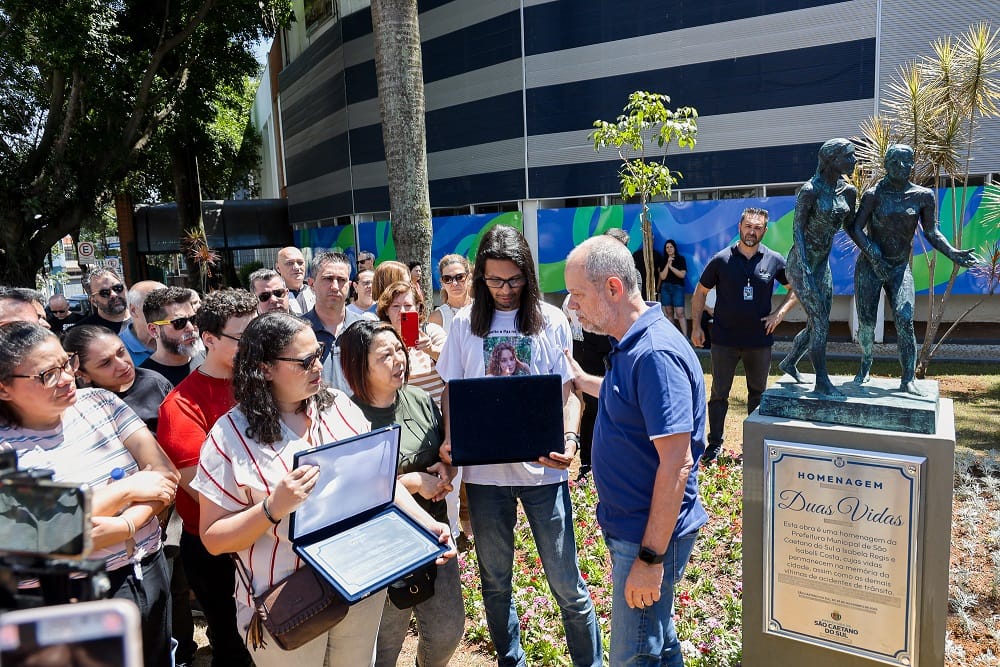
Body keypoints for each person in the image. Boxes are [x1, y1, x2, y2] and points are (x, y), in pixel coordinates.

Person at [190, 312, 454, 667]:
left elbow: (380, 480)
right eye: (305, 361)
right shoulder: (228, 437)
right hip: (288, 598)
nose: (318, 366)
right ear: (265, 368)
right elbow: (213, 537)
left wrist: (425, 522)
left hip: (359, 580)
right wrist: (272, 508)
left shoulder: (339, 406)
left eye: (318, 354)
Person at [437, 225, 602, 667]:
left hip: (544, 473)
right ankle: (512, 661)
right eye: (493, 280)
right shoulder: (463, 323)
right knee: (495, 581)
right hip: (485, 478)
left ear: (528, 275)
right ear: (480, 277)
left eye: (513, 280)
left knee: (567, 583)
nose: (504, 290)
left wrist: (570, 437)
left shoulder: (551, 320)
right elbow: (453, 391)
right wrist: (452, 437)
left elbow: (570, 393)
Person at [0, 322, 180, 667]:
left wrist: (124, 525)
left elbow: (164, 475)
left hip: (145, 568)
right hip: (62, 600)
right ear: (4, 388)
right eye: (46, 374)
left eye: (66, 363)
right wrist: (128, 488)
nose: (68, 377)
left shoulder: (101, 402)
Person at [565, 235, 707, 666]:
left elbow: (676, 462)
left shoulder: (654, 354)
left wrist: (649, 559)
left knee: (631, 657)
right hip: (636, 530)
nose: (572, 307)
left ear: (613, 288)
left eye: (577, 295)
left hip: (646, 538)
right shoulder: (632, 343)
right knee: (660, 644)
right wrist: (579, 378)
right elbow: (625, 398)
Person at [339, 320, 463, 667]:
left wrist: (446, 470)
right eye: (385, 355)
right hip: (379, 549)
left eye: (399, 350)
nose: (399, 359)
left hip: (434, 535)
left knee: (447, 633)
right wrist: (414, 483)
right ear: (359, 366)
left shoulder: (421, 399)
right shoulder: (346, 416)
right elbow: (355, 489)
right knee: (384, 647)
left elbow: (445, 454)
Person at [157, 289, 258, 667]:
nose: (254, 344)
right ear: (209, 339)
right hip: (218, 548)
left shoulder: (264, 381)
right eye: (242, 337)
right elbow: (203, 489)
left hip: (271, 534)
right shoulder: (181, 406)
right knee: (235, 646)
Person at [847, 144, 980, 395]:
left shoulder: (923, 196)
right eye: (895, 162)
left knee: (905, 318)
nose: (901, 167)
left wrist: (952, 252)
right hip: (871, 266)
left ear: (912, 164)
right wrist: (871, 249)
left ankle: (908, 378)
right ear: (886, 165)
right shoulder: (873, 194)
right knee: (866, 323)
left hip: (899, 267)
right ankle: (865, 364)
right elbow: (855, 228)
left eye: (906, 162)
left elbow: (931, 232)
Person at [690, 207, 797, 465]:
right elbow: (700, 292)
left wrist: (778, 314)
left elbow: (796, 290)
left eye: (758, 227)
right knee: (719, 394)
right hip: (724, 340)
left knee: (758, 393)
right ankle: (714, 445)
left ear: (764, 230)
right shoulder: (721, 259)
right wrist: (696, 326)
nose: (752, 231)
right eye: (748, 226)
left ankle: (754, 445)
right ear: (739, 226)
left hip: (758, 342)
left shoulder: (774, 260)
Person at [778, 139, 859, 396]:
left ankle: (789, 362)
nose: (854, 161)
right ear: (832, 160)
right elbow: (797, 232)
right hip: (801, 266)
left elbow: (851, 227)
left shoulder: (848, 192)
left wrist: (871, 250)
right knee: (821, 323)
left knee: (816, 324)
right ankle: (822, 381)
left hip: (821, 266)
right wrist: (807, 270)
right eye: (849, 156)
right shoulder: (810, 190)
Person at [62, 325, 173, 436]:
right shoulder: (80, 410)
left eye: (121, 352)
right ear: (82, 374)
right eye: (106, 363)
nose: (122, 365)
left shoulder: (156, 384)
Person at [302, 252, 367, 393]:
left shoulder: (365, 328)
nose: (335, 287)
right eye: (328, 279)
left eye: (341, 280)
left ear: (349, 285)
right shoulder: (298, 332)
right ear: (311, 284)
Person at [376, 280, 446, 405]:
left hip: (437, 416)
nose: (402, 311)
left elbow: (452, 362)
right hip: (400, 416)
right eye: (395, 306)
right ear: (386, 310)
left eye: (408, 306)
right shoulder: (380, 339)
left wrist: (430, 349)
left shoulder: (431, 331)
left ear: (418, 308)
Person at [140, 287, 202, 387]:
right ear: (153, 330)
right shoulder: (144, 383)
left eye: (193, 319)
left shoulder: (209, 362)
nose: (190, 328)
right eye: (179, 322)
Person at [120, 281, 166, 366]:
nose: (166, 312)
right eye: (156, 306)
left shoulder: (179, 337)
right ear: (133, 310)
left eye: (169, 305)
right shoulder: (117, 350)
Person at [428, 254, 473, 334]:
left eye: (460, 277)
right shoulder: (437, 317)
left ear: (469, 278)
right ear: (442, 283)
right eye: (447, 279)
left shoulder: (483, 310)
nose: (454, 283)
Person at [77, 268, 130, 334]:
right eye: (105, 292)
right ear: (93, 301)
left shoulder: (144, 318)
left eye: (117, 288)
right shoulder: (82, 333)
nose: (114, 294)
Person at [658, 240, 688, 337]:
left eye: (671, 247)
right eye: (667, 247)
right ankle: (673, 337)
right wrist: (668, 264)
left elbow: (682, 275)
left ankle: (685, 337)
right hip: (665, 288)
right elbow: (662, 276)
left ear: (674, 248)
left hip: (677, 288)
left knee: (680, 313)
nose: (669, 249)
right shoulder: (663, 260)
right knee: (669, 312)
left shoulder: (680, 259)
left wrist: (671, 267)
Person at [275, 246, 316, 314]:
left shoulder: (317, 292)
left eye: (300, 262)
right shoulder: (274, 298)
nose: (297, 267)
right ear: (278, 268)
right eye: (290, 263)